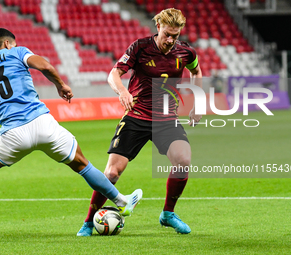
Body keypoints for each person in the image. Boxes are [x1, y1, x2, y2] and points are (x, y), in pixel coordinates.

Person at [0, 28, 142, 242]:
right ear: (8, 44)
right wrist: (61, 85)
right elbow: (45, 65)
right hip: (43, 124)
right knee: (83, 165)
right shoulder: (17, 52)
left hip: (12, 133)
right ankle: (122, 201)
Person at [77, 8, 202, 236]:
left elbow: (197, 72)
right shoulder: (140, 47)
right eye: (167, 34)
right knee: (113, 173)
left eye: (175, 35)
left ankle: (168, 214)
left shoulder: (186, 52)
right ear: (158, 28)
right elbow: (113, 73)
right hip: (136, 116)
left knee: (183, 160)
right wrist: (122, 91)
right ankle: (88, 221)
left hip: (167, 118)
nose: (170, 40)